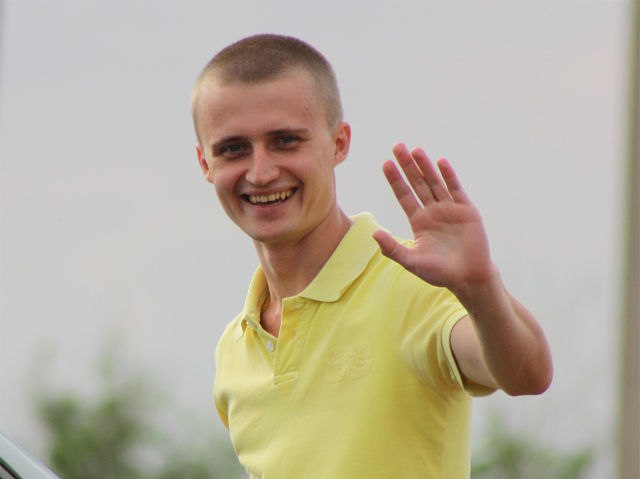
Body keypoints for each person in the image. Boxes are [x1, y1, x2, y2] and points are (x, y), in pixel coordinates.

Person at [191, 33, 553, 478]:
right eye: (233, 149)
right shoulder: (234, 348)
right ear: (205, 163)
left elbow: (526, 373)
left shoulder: (413, 282)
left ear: (338, 143)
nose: (261, 172)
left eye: (285, 141)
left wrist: (480, 288)